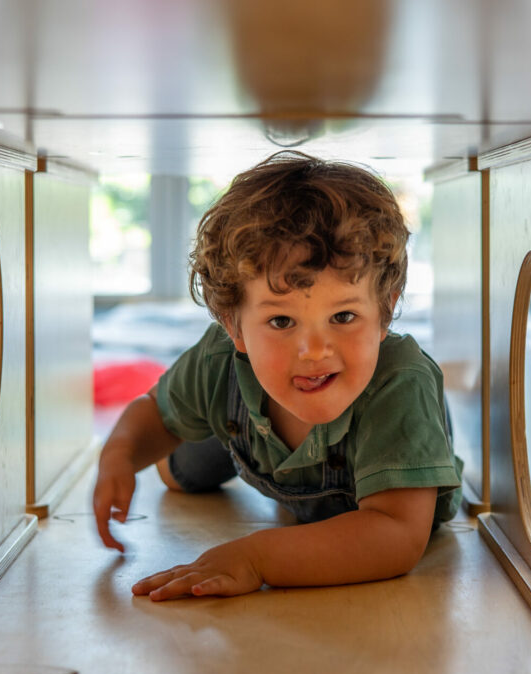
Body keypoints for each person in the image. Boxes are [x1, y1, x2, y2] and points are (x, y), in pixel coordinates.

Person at [92, 151, 463, 601]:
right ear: (233, 326)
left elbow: (396, 537)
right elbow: (157, 414)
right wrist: (120, 453)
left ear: (385, 311)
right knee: (177, 471)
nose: (314, 351)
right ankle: (215, 443)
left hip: (386, 457)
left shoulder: (399, 384)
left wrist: (256, 556)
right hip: (245, 430)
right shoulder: (219, 362)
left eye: (343, 316)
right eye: (282, 322)